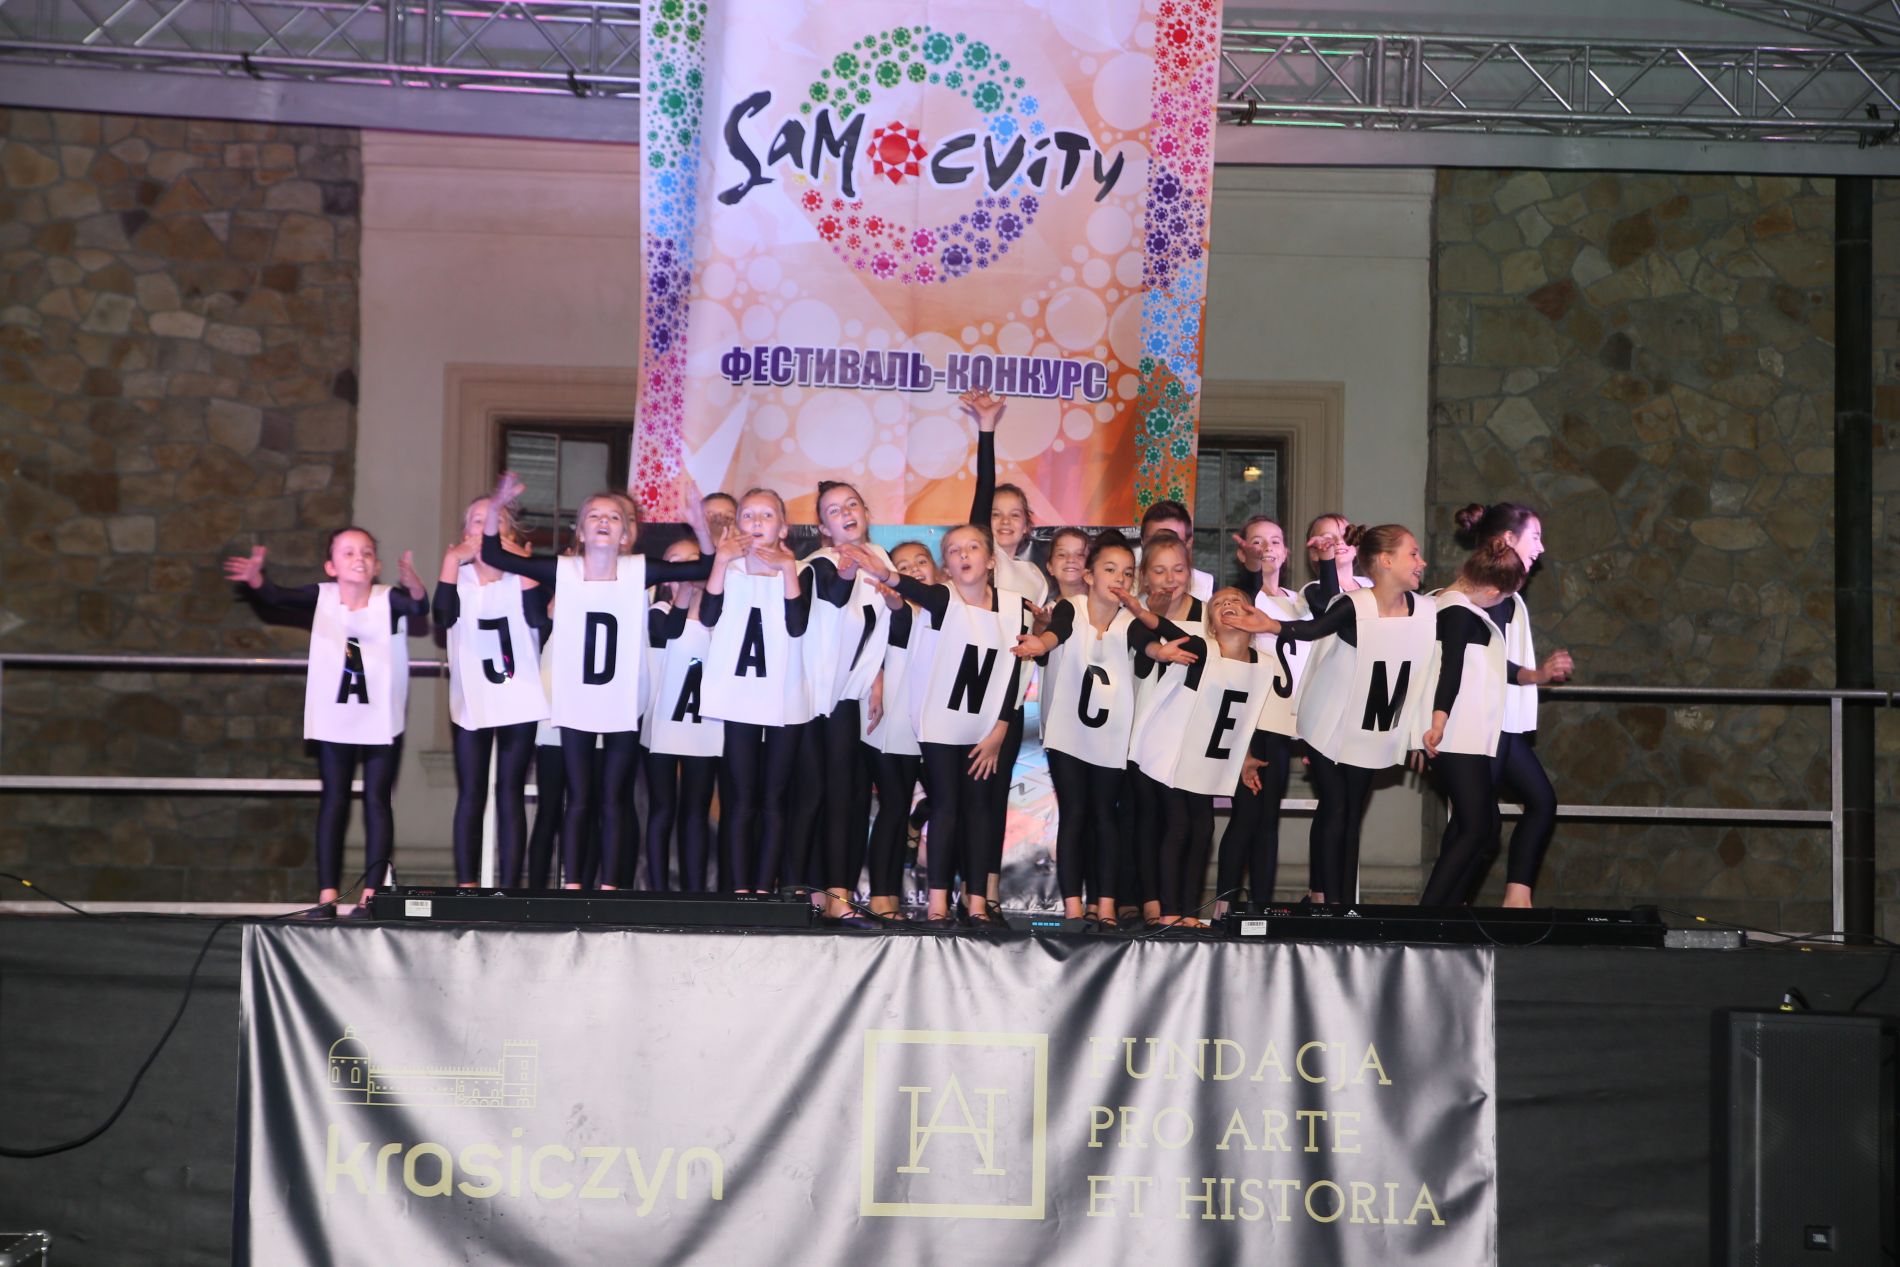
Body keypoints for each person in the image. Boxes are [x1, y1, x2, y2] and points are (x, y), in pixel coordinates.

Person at [479, 473, 714, 888]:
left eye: (614, 517)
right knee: (579, 798)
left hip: (621, 698)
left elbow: (707, 566)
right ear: (581, 532)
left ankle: (608, 888)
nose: (604, 521)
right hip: (576, 699)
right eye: (594, 515)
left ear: (625, 535)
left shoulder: (639, 571)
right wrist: (495, 508)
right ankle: (573, 886)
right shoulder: (563, 570)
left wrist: (700, 527)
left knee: (613, 799)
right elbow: (494, 553)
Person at [224, 528, 427, 917]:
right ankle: (327, 896)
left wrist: (415, 585)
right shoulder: (323, 596)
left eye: (367, 552)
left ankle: (371, 896)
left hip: (380, 718)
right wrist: (256, 580)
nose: (359, 558)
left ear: (377, 565)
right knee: (334, 800)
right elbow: (278, 597)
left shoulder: (388, 600)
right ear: (331, 566)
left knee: (377, 800)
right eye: (348, 552)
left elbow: (419, 607)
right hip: (336, 716)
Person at [1232, 524, 1437, 904]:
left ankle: (1343, 907)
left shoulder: (1424, 611)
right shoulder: (1354, 604)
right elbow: (1314, 628)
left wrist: (1418, 733)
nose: (1421, 562)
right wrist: (1272, 625)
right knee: (1337, 807)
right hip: (1325, 721)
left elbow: (1426, 674)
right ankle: (1327, 902)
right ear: (1386, 560)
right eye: (1413, 553)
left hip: (1370, 726)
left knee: (1350, 813)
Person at [839, 527, 1030, 928]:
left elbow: (1011, 669)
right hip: (925, 723)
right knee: (933, 805)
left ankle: (975, 902)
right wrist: (887, 576)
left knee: (975, 808)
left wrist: (1000, 729)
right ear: (948, 566)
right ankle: (929, 903)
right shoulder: (936, 600)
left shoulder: (1008, 606)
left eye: (973, 547)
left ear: (990, 560)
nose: (964, 555)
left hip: (978, 725)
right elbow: (907, 601)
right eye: (954, 550)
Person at [1010, 531, 1158, 924]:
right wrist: (1040, 645)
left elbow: (1148, 645)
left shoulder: (1129, 620)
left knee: (1105, 816)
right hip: (1067, 734)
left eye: (1127, 573)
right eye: (1110, 569)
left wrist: (1165, 651)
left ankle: (1105, 905)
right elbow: (1057, 631)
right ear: (1089, 575)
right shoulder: (1070, 607)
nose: (1119, 579)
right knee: (1075, 814)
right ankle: (1074, 907)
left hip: (1110, 736)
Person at [1132, 589, 1278, 927]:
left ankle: (1188, 912)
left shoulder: (1261, 664)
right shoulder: (1202, 649)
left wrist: (1245, 758)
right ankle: (1169, 912)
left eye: (1235, 600)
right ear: (1211, 625)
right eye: (1218, 604)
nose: (1227, 605)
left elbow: (1243, 717)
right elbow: (1166, 628)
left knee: (1203, 828)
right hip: (1171, 749)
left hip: (1205, 757)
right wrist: (1138, 609)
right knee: (1179, 825)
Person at [1454, 502, 1574, 907]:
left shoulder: (1506, 595)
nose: (1541, 547)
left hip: (1502, 723)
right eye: (1534, 537)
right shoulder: (1491, 593)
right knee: (1477, 828)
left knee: (1527, 808)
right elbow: (1490, 662)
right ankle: (1446, 910)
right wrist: (1537, 674)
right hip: (1484, 725)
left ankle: (1515, 900)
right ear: (1508, 539)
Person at [791, 480, 897, 917]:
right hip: (812, 698)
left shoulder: (882, 561)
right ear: (823, 527)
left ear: (866, 512)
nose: (846, 513)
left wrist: (876, 677)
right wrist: (849, 569)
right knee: (814, 795)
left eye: (852, 504)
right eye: (833, 510)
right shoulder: (818, 564)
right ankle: (802, 893)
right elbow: (834, 599)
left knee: (845, 795)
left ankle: (832, 895)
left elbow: (879, 629)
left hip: (847, 697)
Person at [698, 488, 811, 894]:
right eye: (748, 515)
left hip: (784, 694)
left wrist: (788, 569)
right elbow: (707, 616)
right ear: (737, 524)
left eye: (767, 515)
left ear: (783, 528)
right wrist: (720, 559)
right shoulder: (728, 569)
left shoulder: (801, 570)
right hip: (740, 694)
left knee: (775, 797)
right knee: (741, 798)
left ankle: (765, 888)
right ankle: (740, 890)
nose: (757, 522)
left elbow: (797, 626)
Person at [434, 495, 549, 889]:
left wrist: (523, 563)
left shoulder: (521, 578)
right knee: (471, 791)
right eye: (477, 520)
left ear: (509, 533)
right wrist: (451, 561)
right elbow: (441, 616)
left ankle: (510, 887)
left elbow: (538, 618)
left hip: (520, 695)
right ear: (465, 532)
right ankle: (467, 885)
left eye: (496, 521)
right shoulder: (458, 579)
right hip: (473, 696)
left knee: (510, 791)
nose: (485, 528)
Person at [961, 389, 1046, 921]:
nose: (1005, 521)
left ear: (1029, 524)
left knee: (994, 800)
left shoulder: (1035, 576)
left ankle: (986, 893)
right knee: (967, 798)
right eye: (996, 514)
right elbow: (980, 498)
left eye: (1015, 515)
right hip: (970, 693)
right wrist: (986, 430)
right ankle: (965, 894)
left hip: (1010, 701)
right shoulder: (984, 560)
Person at [1414, 540, 1529, 906]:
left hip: (1465, 733)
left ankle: (1444, 914)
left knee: (1481, 827)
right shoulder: (1458, 611)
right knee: (1477, 827)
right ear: (1494, 592)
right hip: (1455, 734)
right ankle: (1427, 917)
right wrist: (1437, 723)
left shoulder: (1448, 605)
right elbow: (1450, 670)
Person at [1216, 516, 1311, 916]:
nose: (1267, 547)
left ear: (1287, 551)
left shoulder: (1302, 601)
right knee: (1245, 814)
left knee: (1268, 819)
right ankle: (1223, 907)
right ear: (1243, 553)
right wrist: (1253, 567)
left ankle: (1261, 909)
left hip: (1285, 721)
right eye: (1256, 542)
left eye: (1274, 541)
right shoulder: (1242, 599)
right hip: (1252, 718)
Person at [1122, 528, 1205, 925]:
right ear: (1144, 576)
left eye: (1178, 569)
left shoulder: (1205, 614)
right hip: (1146, 732)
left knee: (1195, 823)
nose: (1170, 579)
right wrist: (1155, 623)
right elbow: (1140, 667)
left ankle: (1186, 905)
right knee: (1151, 817)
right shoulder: (1132, 614)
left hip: (1193, 734)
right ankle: (1153, 901)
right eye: (1159, 571)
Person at [642, 538, 722, 892]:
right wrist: (685, 597)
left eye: (694, 560)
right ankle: (658, 892)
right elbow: (668, 632)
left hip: (703, 726)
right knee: (661, 809)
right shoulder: (658, 610)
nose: (687, 568)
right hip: (662, 723)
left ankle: (694, 893)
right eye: (676, 562)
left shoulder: (720, 616)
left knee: (696, 811)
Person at [1138, 500, 1215, 601]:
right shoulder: (1124, 583)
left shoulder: (1207, 588)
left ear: (1188, 544)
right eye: (1154, 541)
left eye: (1172, 541)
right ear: (1142, 543)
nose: (1163, 549)